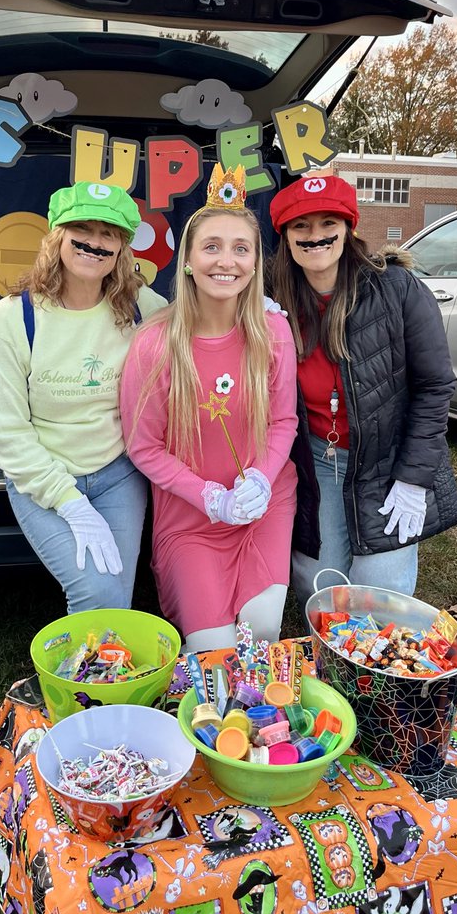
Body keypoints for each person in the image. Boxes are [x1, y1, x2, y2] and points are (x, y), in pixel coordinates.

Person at [120, 166, 298, 651]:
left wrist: (261, 477)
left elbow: (284, 421)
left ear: (256, 262)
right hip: (192, 519)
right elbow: (145, 447)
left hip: (265, 506)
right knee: (214, 651)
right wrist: (210, 498)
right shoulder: (155, 343)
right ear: (189, 261)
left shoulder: (273, 331)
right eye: (212, 246)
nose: (227, 261)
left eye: (242, 248)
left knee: (262, 631)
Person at [268, 173, 457, 617]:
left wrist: (413, 478)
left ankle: (375, 682)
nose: (315, 235)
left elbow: (435, 386)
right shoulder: (271, 301)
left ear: (348, 226)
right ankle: (330, 675)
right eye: (300, 226)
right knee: (319, 587)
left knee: (380, 599)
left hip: (384, 460)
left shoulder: (397, 289)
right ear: (285, 236)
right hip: (315, 459)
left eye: (326, 222)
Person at [0, 181, 165, 614]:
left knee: (116, 597)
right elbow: (3, 429)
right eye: (83, 229)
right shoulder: (13, 318)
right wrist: (69, 502)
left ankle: (97, 679)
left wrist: (254, 306)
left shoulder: (141, 309)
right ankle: (77, 682)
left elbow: (198, 322)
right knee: (97, 593)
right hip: (44, 476)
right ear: (57, 236)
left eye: (108, 234)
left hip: (117, 473)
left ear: (121, 250)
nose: (94, 243)